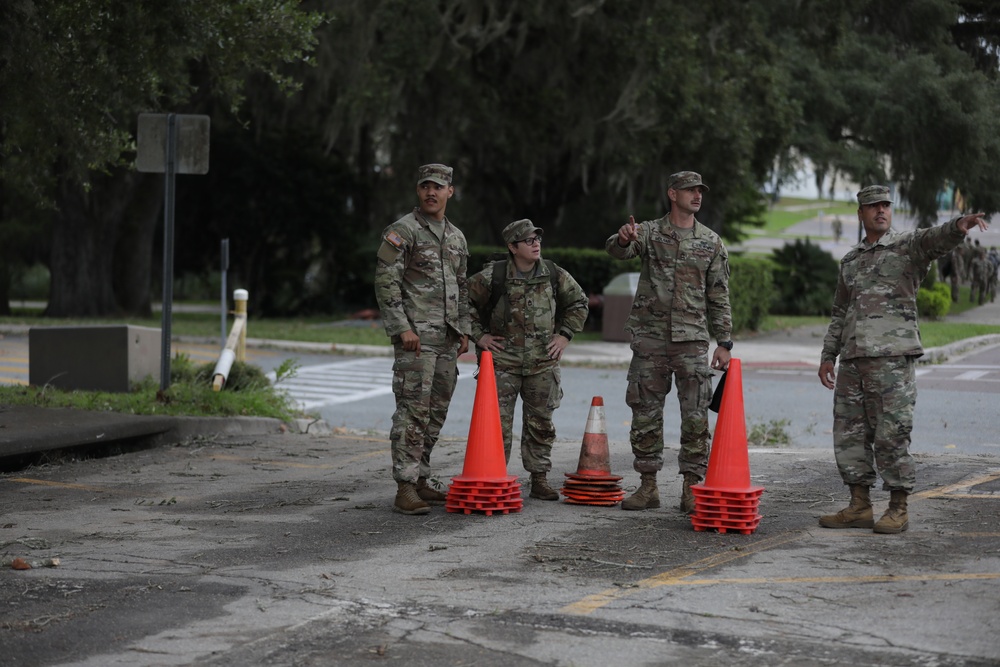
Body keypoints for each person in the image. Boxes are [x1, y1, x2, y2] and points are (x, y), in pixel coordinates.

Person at [818, 185, 988, 534]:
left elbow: (933, 239)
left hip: (892, 360)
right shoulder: (850, 261)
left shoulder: (907, 247)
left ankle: (898, 507)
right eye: (873, 206)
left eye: (885, 205)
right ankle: (859, 505)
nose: (881, 211)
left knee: (892, 435)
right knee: (849, 435)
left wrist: (958, 226)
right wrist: (828, 355)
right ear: (861, 214)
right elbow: (840, 311)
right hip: (852, 360)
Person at [605, 171, 733, 514]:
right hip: (650, 339)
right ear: (672, 194)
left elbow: (718, 295)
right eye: (690, 190)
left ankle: (691, 488)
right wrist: (622, 238)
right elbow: (620, 251)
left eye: (700, 191)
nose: (697, 195)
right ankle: (648, 486)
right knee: (645, 413)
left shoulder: (711, 242)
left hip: (692, 341)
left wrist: (725, 343)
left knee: (695, 417)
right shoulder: (649, 231)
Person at [468, 219, 589, 500]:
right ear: (512, 247)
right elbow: (464, 304)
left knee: (541, 424)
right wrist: (479, 336)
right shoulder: (492, 276)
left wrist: (564, 336)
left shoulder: (552, 273)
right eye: (528, 240)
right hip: (502, 363)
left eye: (537, 239)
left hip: (542, 363)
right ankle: (492, 476)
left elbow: (578, 302)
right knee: (496, 424)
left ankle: (539, 479)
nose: (536, 244)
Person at [374, 163, 470, 515]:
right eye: (425, 186)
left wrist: (463, 331)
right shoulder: (403, 231)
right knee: (412, 412)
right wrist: (402, 328)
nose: (432, 192)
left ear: (450, 192)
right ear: (418, 191)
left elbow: (461, 288)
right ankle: (404, 486)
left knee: (436, 413)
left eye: (438, 186)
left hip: (445, 341)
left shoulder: (457, 237)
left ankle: (421, 478)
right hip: (415, 339)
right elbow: (386, 281)